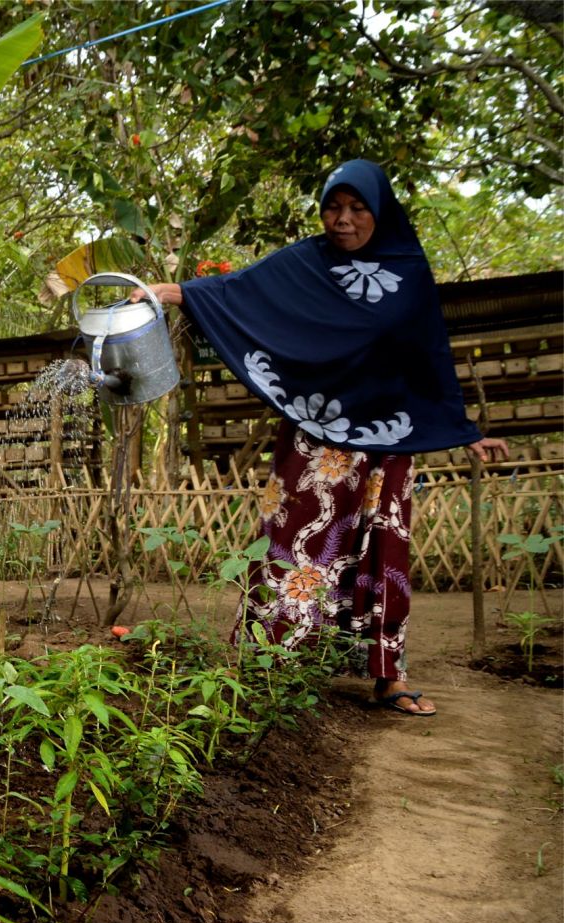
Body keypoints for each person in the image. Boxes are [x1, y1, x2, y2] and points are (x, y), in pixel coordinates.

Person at [137, 159, 508, 716]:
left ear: (379, 211)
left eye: (357, 208)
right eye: (334, 206)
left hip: (389, 437)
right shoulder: (306, 263)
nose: (343, 219)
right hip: (318, 432)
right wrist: (165, 292)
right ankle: (272, 667)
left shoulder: (407, 269)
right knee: (297, 540)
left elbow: (428, 355)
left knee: (386, 549)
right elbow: (240, 290)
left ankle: (387, 675)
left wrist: (464, 430)